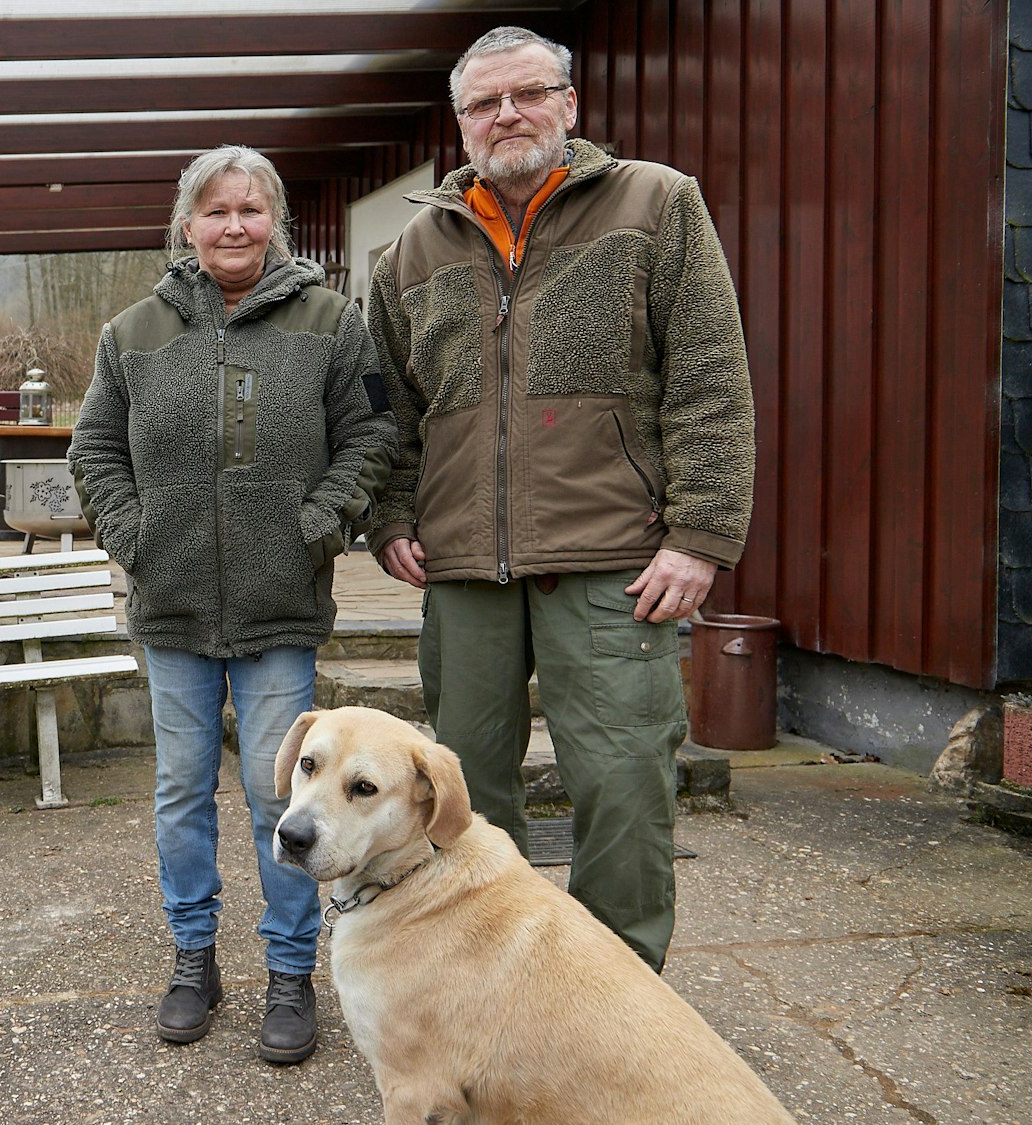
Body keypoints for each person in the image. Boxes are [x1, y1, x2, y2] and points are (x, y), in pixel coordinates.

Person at [365, 26, 756, 972]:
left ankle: (615, 999)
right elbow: (386, 404)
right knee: (460, 802)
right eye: (484, 104)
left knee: (623, 785)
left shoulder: (657, 206)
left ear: (569, 105)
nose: (508, 115)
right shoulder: (413, 250)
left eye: (528, 94)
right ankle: (475, 984)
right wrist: (387, 514)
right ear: (460, 125)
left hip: (616, 561)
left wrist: (700, 534)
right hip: (462, 570)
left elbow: (711, 375)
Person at [69, 145, 395, 1063]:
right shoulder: (130, 332)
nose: (234, 225)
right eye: (216, 211)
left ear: (276, 221)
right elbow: (93, 449)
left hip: (279, 609)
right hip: (171, 611)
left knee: (276, 798)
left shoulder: (334, 321)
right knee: (180, 794)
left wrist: (320, 521)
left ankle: (292, 972)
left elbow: (373, 429)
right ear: (187, 224)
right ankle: (193, 958)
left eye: (252, 209)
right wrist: (136, 539)